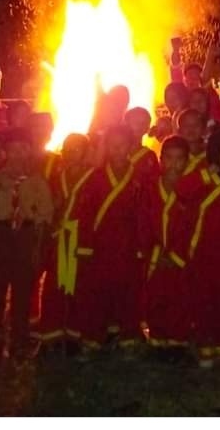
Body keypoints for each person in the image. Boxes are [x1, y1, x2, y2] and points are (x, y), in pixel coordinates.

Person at [174, 129, 220, 368]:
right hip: (203, 252)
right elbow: (181, 190)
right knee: (203, 302)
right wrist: (206, 175)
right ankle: (205, 346)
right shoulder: (202, 175)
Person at [0, 128, 54, 360]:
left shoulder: (37, 181)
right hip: (0, 235)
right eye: (13, 149)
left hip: (25, 237)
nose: (18, 153)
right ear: (5, 151)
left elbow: (47, 212)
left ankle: (18, 339)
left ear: (30, 151)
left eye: (23, 148)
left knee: (23, 289)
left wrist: (34, 224)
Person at [71, 125, 144, 351]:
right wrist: (85, 246)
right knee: (97, 291)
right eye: (112, 145)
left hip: (128, 244)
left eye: (122, 145)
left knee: (128, 291)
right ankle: (93, 337)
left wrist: (142, 246)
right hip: (101, 244)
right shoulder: (96, 177)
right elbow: (86, 212)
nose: (117, 149)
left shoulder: (139, 178)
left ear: (130, 147)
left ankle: (128, 336)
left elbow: (144, 213)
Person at [34, 133, 95, 352]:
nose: (71, 152)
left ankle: (74, 337)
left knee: (79, 289)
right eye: (67, 148)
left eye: (77, 148)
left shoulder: (94, 177)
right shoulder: (56, 175)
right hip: (59, 239)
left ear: (86, 152)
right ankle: (51, 336)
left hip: (81, 240)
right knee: (54, 288)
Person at [138, 136, 193, 356]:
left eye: (180, 159)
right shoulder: (150, 189)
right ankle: (158, 340)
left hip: (180, 257)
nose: (173, 164)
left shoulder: (190, 189)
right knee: (156, 298)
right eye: (169, 158)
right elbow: (143, 221)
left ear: (187, 162)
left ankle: (177, 342)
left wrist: (178, 255)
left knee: (180, 298)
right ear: (161, 160)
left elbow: (192, 225)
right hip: (155, 256)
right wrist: (148, 251)